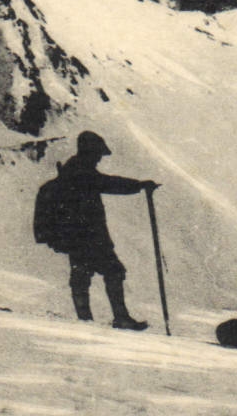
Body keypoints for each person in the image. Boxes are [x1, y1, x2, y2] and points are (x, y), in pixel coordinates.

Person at [37, 130, 157, 330]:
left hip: (75, 236)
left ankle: (85, 318)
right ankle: (118, 317)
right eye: (98, 154)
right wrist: (139, 185)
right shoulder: (81, 171)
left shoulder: (73, 170)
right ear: (90, 152)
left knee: (82, 273)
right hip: (89, 236)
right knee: (113, 271)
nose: (99, 158)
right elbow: (109, 183)